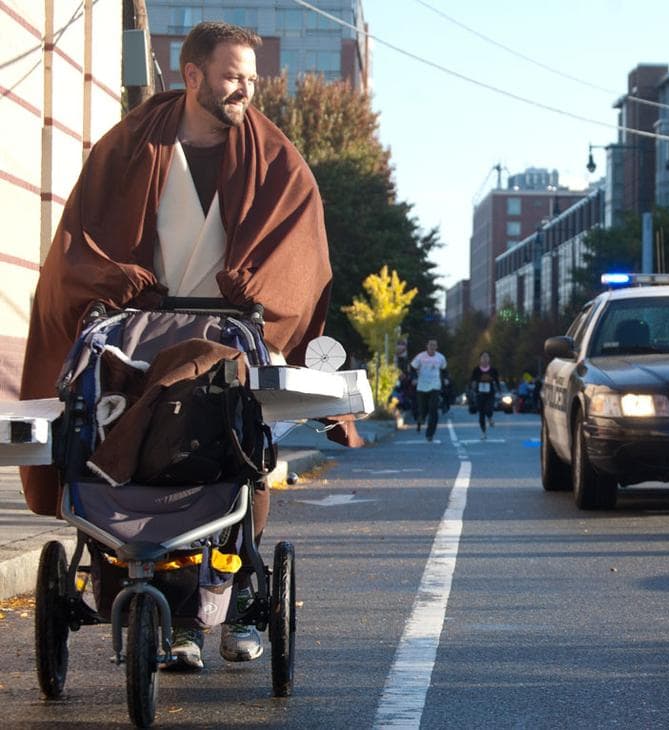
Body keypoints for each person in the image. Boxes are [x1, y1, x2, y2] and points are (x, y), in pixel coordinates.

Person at [19, 21, 348, 671]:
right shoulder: (130, 146)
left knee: (240, 450)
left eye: (252, 80)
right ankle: (145, 590)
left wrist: (260, 297)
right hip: (133, 333)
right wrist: (108, 288)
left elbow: (299, 247)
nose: (245, 91)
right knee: (126, 443)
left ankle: (240, 602)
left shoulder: (274, 156)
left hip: (227, 330)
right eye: (233, 76)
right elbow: (84, 237)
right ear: (190, 74)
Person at [410, 338, 447, 441]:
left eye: (434, 345)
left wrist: (446, 380)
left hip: (435, 386)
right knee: (423, 409)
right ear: (427, 346)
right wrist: (414, 378)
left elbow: (444, 370)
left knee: (433, 409)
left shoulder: (440, 358)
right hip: (422, 387)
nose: (432, 347)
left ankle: (430, 434)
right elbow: (412, 368)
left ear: (436, 347)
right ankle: (420, 419)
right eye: (430, 345)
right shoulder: (420, 357)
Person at [469, 351, 501, 439]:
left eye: (487, 357)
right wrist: (472, 386)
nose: (485, 359)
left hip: (490, 394)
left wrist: (499, 390)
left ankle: (490, 418)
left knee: (489, 408)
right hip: (479, 394)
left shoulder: (493, 370)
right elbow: (472, 380)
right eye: (483, 357)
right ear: (480, 359)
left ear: (489, 359)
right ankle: (483, 432)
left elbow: (497, 381)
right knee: (481, 415)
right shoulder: (476, 370)